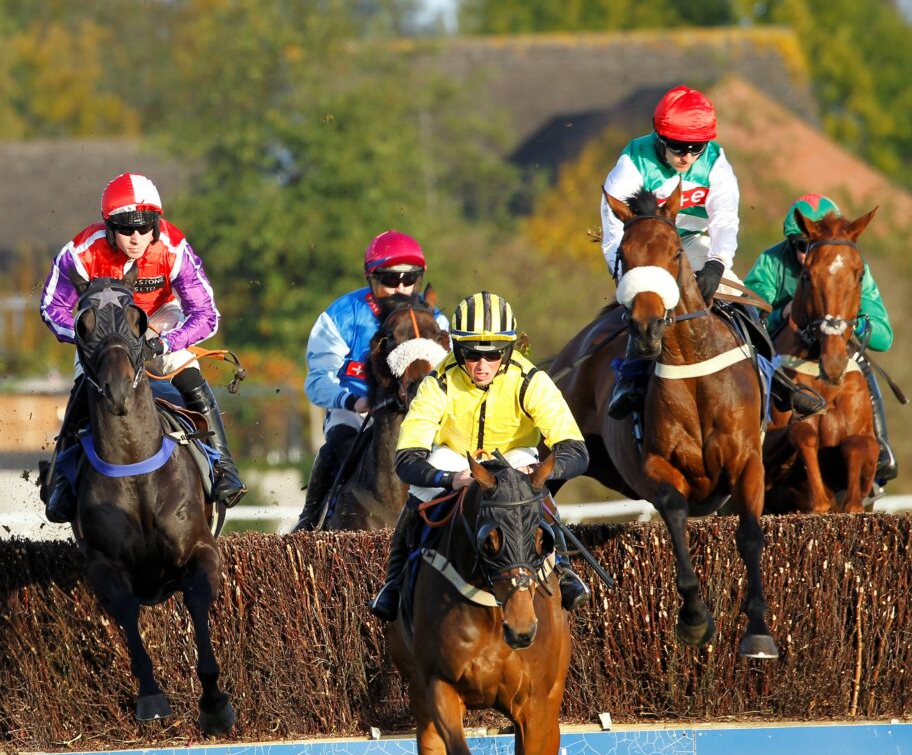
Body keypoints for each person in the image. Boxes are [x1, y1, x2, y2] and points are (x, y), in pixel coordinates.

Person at [600, 84, 821, 421]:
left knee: (736, 296)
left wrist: (718, 264)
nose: (686, 157)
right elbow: (614, 232)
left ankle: (778, 381)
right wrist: (631, 277)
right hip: (646, 248)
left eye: (695, 148)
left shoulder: (716, 163)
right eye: (677, 147)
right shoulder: (632, 162)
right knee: (645, 304)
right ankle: (629, 379)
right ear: (659, 137)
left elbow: (725, 220)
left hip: (693, 243)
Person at [369, 292, 590, 622]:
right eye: (472, 354)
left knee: (535, 487)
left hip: (514, 458)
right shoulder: (437, 383)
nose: (483, 365)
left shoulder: (531, 380)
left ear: (509, 350)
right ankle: (394, 581)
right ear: (457, 348)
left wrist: (537, 472)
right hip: (456, 458)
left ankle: (564, 568)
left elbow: (576, 450)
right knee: (423, 487)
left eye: (494, 354)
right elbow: (407, 458)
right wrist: (450, 479)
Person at [39, 171, 244, 522]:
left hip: (157, 321)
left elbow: (206, 313)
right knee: (81, 389)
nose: (135, 237)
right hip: (103, 333)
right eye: (125, 228)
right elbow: (51, 308)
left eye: (144, 227)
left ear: (156, 225)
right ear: (109, 226)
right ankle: (62, 478)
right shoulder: (80, 253)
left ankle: (224, 465)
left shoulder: (174, 248)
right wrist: (87, 337)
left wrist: (164, 342)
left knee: (188, 376)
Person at [295, 230, 450, 530]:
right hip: (357, 408)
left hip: (423, 410)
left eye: (410, 279)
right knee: (338, 442)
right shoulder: (341, 315)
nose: (402, 288)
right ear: (372, 278)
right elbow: (317, 382)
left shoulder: (436, 321)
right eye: (391, 280)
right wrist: (353, 400)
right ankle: (309, 520)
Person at [744, 194, 896, 484]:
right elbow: (748, 318)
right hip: (782, 355)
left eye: (811, 244)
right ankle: (743, 441)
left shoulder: (852, 262)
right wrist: (781, 316)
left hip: (837, 347)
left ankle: (882, 445)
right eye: (801, 246)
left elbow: (883, 336)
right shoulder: (770, 261)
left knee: (863, 360)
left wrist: (850, 327)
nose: (806, 254)